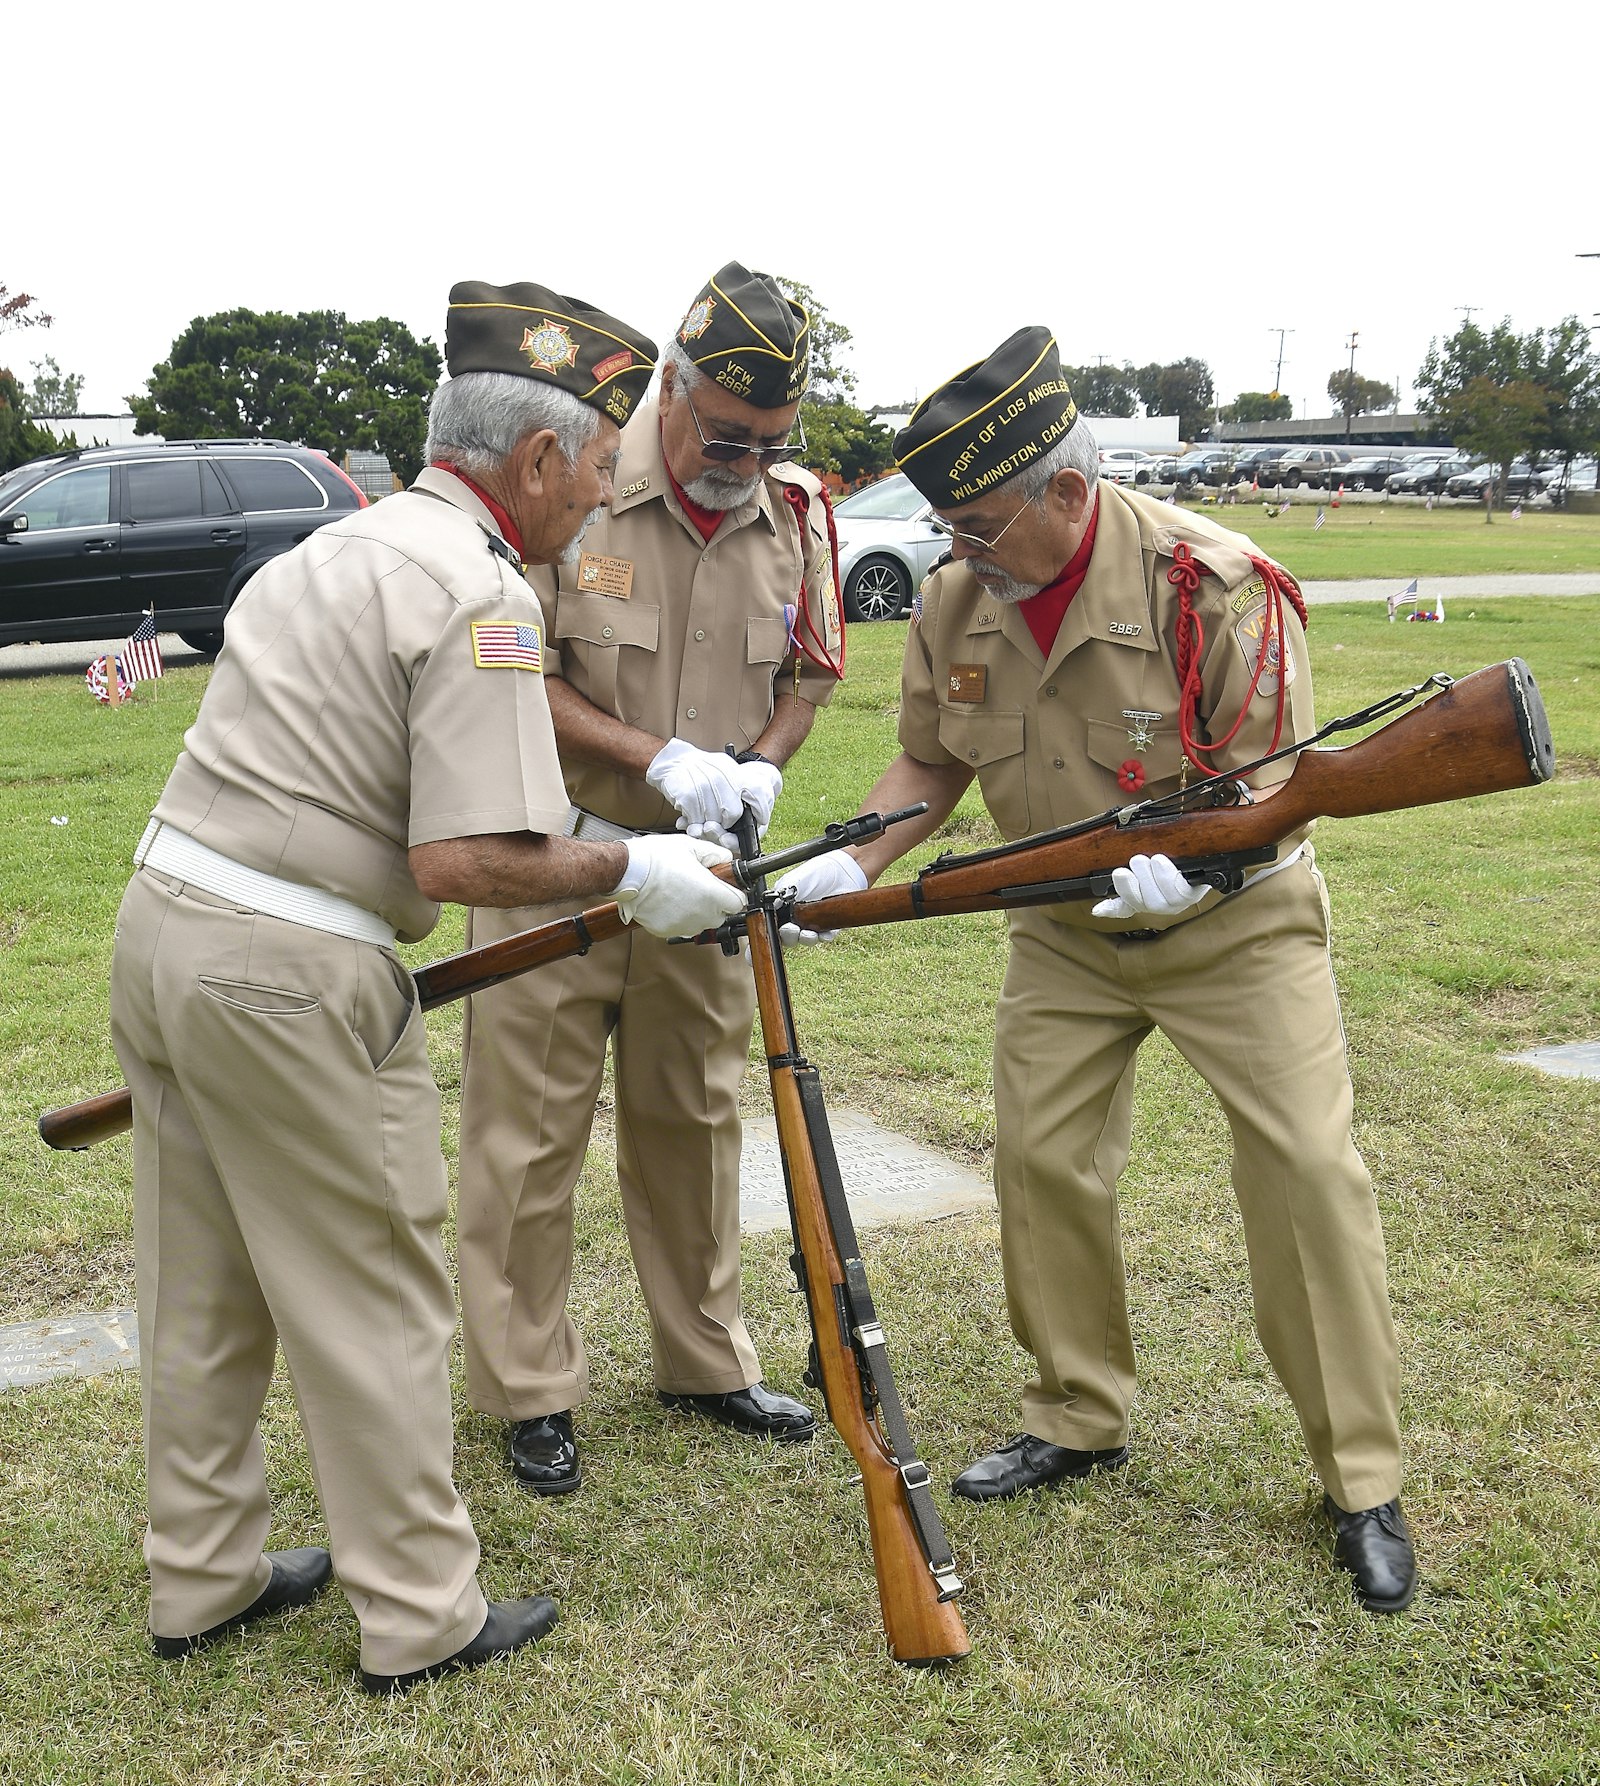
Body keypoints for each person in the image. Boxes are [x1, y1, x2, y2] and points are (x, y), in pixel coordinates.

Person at [109, 280, 749, 1694]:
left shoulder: (336, 545)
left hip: (165, 926)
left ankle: (199, 1575)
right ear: (532, 461)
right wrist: (635, 875)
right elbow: (465, 853)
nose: (597, 495)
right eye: (594, 464)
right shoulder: (478, 591)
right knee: (376, 1299)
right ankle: (421, 1611)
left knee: (200, 1287)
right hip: (287, 971)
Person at [775, 328, 1415, 1615]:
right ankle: (1075, 1410)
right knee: (1040, 1154)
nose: (962, 550)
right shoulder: (960, 597)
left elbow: (1281, 786)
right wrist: (854, 858)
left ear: (1068, 492)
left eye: (982, 523)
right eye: (948, 526)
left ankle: (1361, 1477)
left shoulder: (1209, 584)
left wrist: (1210, 866)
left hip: (1235, 927)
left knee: (1303, 1166)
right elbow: (928, 763)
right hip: (1062, 926)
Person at [455, 261, 845, 1496]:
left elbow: (811, 672)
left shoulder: (796, 516)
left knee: (695, 1117)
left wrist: (763, 767)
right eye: (728, 432)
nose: (746, 457)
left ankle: (706, 1358)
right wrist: (656, 757)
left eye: (771, 438)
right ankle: (529, 1385)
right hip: (556, 857)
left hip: (706, 885)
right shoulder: (572, 485)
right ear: (671, 390)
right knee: (525, 1137)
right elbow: (512, 668)